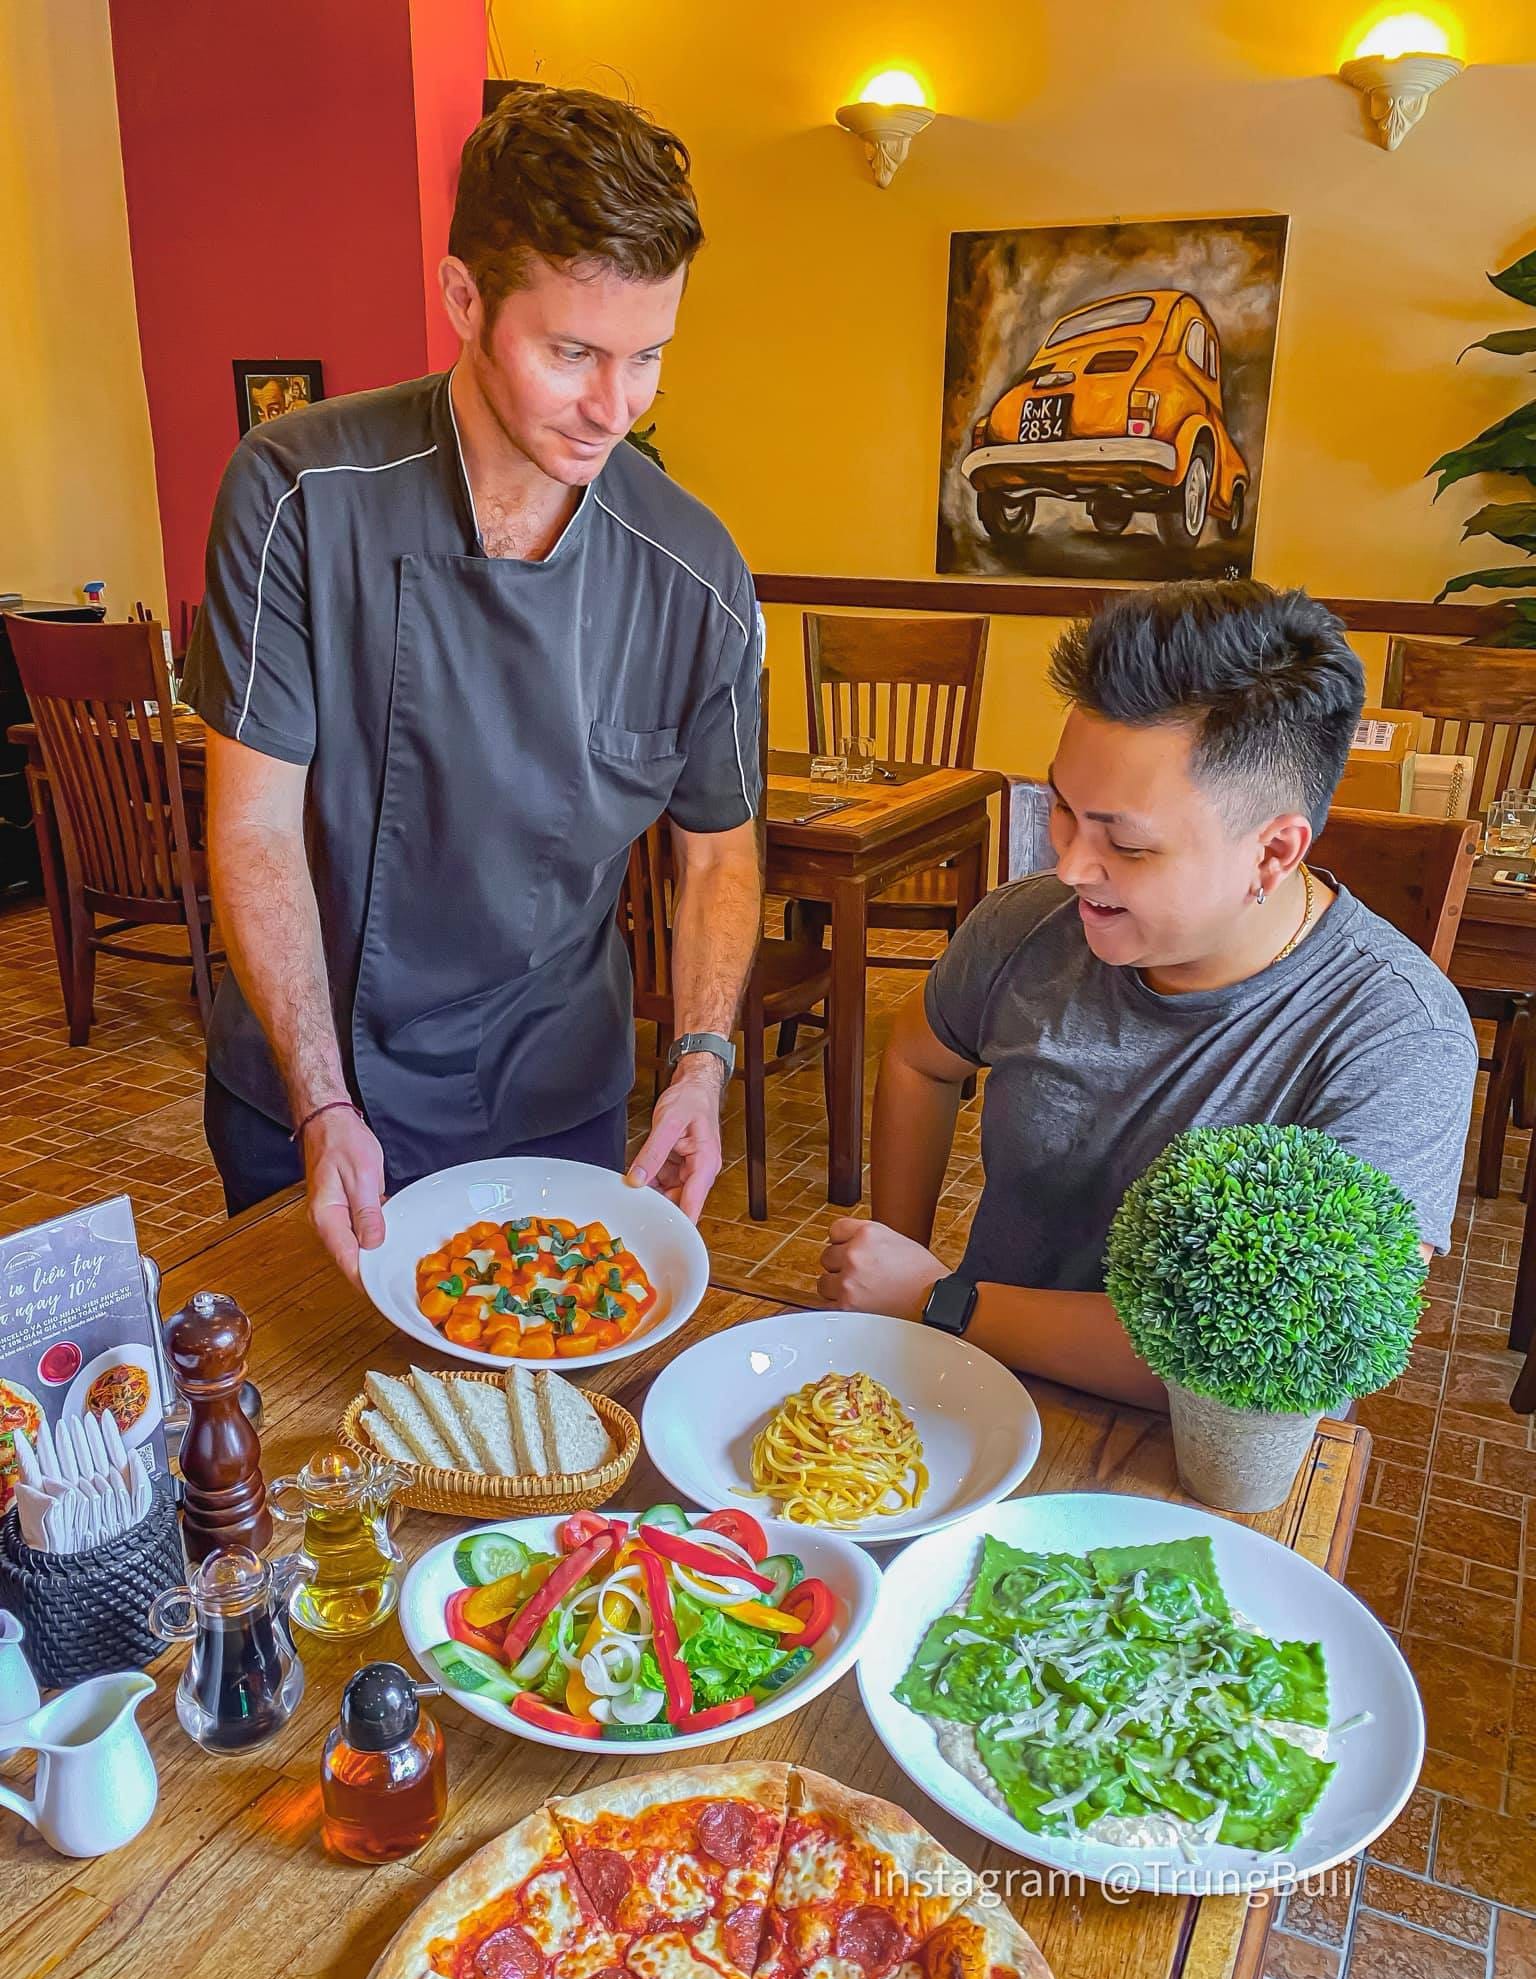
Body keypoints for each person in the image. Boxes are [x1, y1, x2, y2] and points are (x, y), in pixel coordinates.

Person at [182, 86, 763, 1280]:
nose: (616, 407)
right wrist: (319, 1098)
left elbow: (719, 849)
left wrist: (701, 1059)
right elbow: (250, 824)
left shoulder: (697, 574)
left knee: (525, 1442)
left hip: (553, 1100)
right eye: (572, 353)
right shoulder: (296, 493)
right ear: (462, 299)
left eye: (648, 356)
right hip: (307, 1092)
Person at [817, 580, 1477, 1406]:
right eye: (1063, 809)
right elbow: (920, 1056)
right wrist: (897, 1273)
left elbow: (1276, 1369)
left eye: (1125, 844)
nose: (1070, 866)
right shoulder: (1028, 927)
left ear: (1273, 855)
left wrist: (936, 1300)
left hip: (1195, 1468)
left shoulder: (1398, 1038)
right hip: (971, 1386)